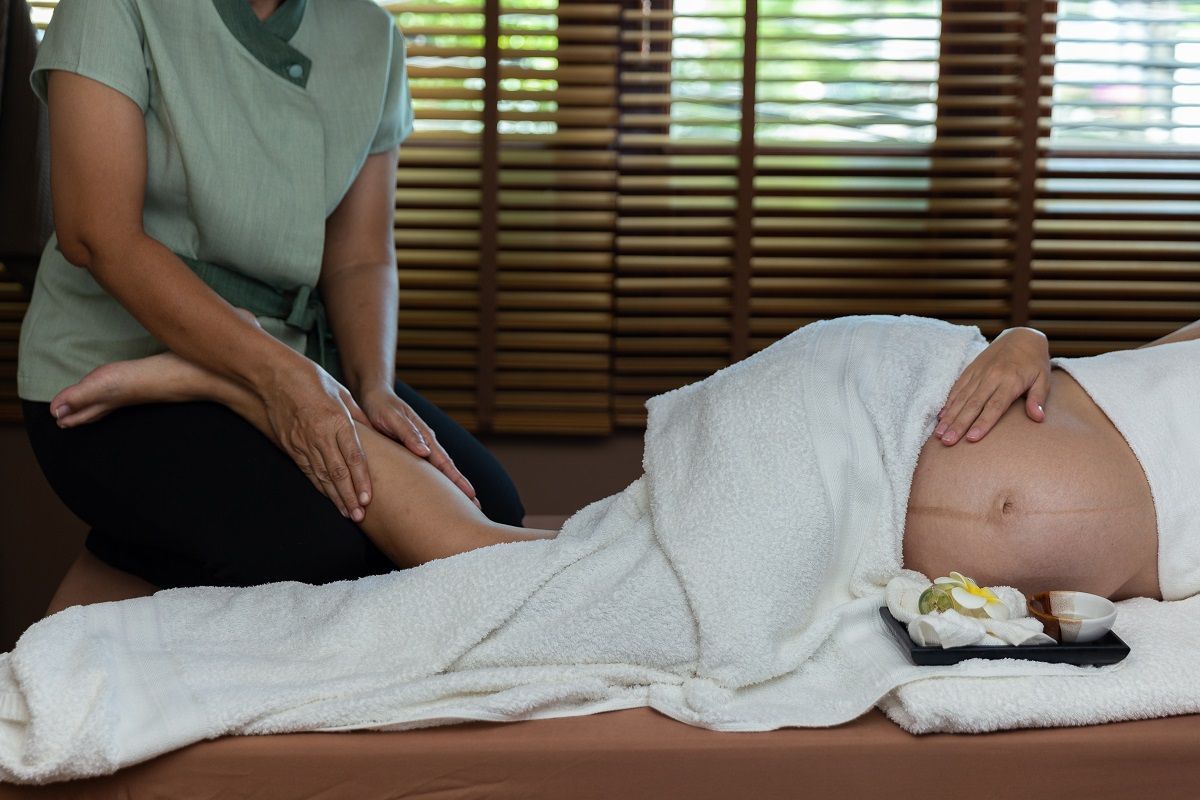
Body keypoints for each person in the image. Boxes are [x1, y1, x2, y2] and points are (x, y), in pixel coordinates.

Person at [45, 313, 1200, 604]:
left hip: (861, 505)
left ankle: (233, 377)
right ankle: (240, 376)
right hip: (880, 403)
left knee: (529, 557)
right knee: (492, 566)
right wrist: (1025, 335)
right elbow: (1137, 361)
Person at [17, 0, 526, 591]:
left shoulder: (371, 36)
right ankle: (204, 401)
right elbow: (97, 235)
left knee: (492, 504)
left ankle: (179, 438)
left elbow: (360, 257)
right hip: (102, 368)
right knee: (317, 548)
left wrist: (372, 386)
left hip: (293, 356)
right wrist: (282, 381)